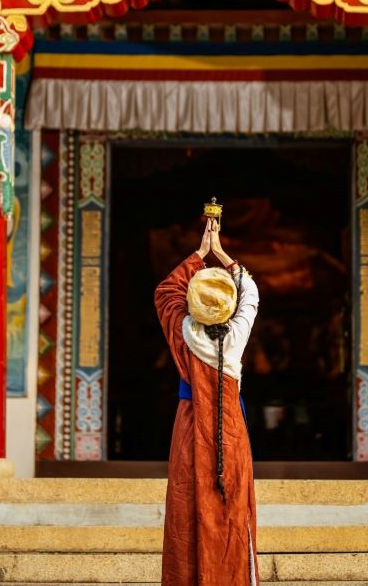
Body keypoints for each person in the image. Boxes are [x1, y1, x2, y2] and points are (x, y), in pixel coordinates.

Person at [155, 217, 259, 586]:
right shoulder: (238, 335)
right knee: (231, 511)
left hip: (190, 427)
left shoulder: (183, 331)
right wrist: (222, 253)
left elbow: (166, 290)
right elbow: (251, 291)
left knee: (188, 509)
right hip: (230, 429)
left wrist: (200, 253)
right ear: (229, 308)